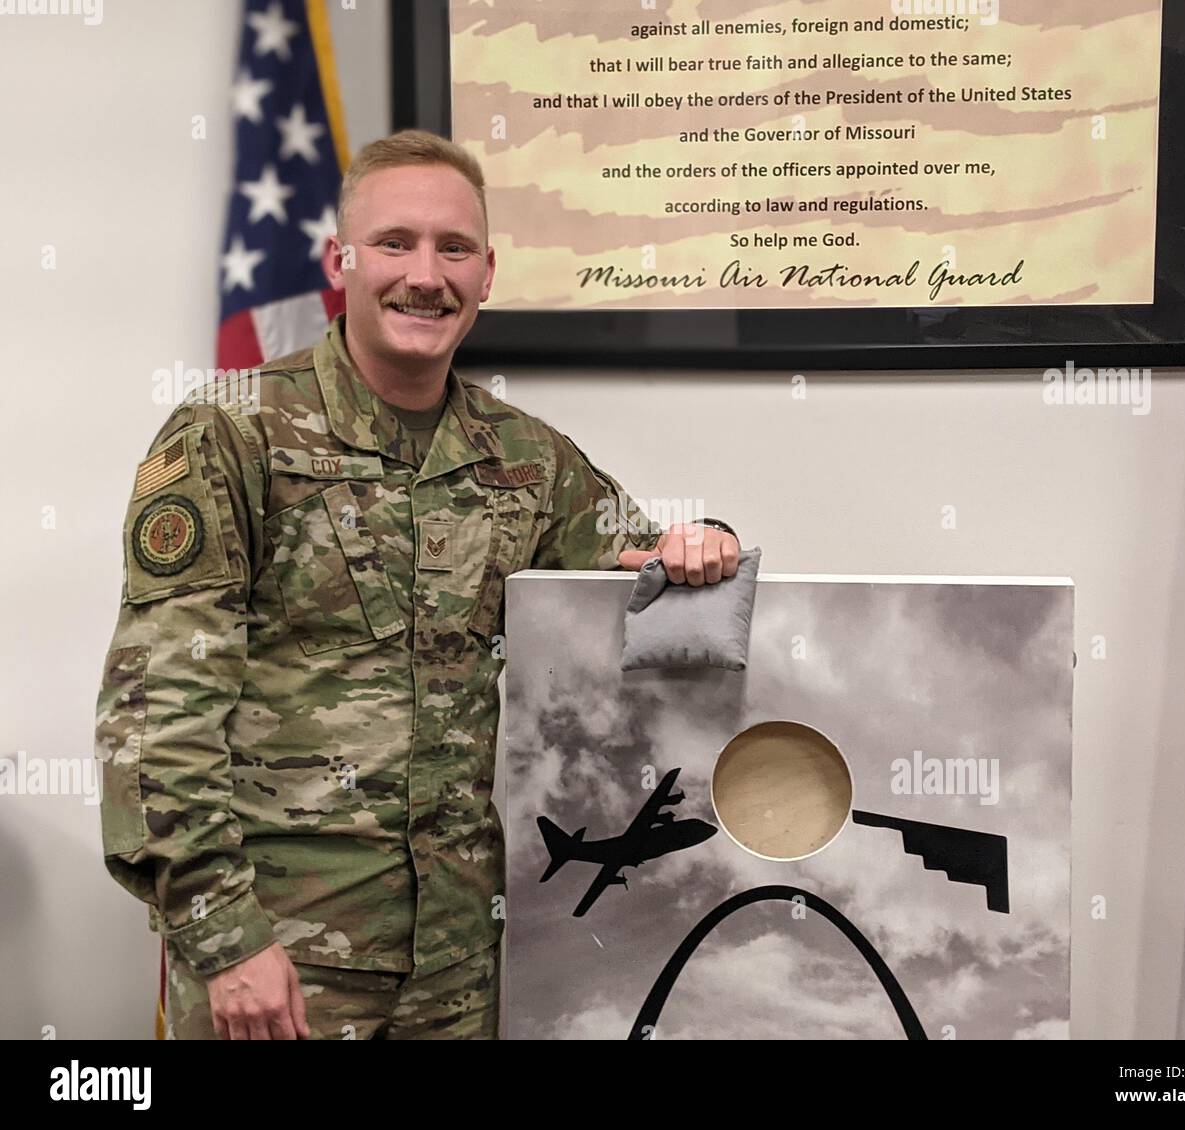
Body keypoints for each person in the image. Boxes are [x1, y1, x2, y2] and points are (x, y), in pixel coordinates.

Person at [93, 130, 740, 1040]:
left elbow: (643, 566)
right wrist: (224, 941)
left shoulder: (525, 460)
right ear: (340, 259)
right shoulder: (230, 436)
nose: (424, 275)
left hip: (461, 965)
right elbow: (158, 712)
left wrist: (707, 543)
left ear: (486, 274)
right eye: (395, 242)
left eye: (454, 249)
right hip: (285, 960)